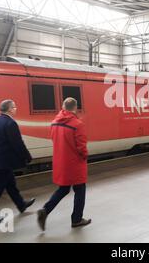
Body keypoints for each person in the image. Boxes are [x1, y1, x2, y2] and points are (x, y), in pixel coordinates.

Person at [37, 98, 91, 231]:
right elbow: (81, 147)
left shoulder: (55, 122)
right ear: (75, 108)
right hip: (75, 163)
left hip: (61, 162)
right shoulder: (77, 124)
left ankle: (45, 210)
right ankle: (77, 219)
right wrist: (85, 156)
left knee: (63, 189)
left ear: (63, 107)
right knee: (80, 190)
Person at [0, 100, 35, 227]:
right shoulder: (10, 123)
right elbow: (17, 143)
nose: (16, 109)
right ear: (10, 109)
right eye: (14, 107)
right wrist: (27, 157)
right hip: (4, 161)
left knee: (11, 184)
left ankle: (21, 204)